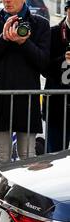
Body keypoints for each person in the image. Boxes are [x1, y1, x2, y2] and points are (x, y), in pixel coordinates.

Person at [0, 0, 50, 167]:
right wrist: (3, 38)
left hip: (27, 97)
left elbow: (43, 62)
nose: (7, 1)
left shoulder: (40, 24)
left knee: (28, 156)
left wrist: (24, 42)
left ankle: (26, 193)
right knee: (1, 156)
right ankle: (1, 193)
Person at [43, 0, 70, 153]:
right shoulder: (53, 33)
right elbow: (43, 67)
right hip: (57, 108)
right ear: (66, 10)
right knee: (55, 157)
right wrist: (62, 60)